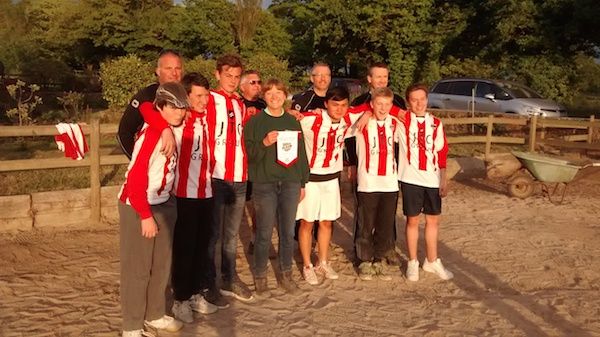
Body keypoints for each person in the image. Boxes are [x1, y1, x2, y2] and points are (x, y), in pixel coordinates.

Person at [118, 82, 188, 337]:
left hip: (163, 201)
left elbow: (150, 107)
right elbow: (136, 178)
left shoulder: (174, 127)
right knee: (137, 268)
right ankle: (132, 326)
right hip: (138, 204)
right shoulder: (151, 135)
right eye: (173, 107)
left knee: (161, 265)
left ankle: (155, 314)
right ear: (161, 107)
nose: (179, 112)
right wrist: (145, 216)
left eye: (182, 107)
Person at [244, 78, 309, 297]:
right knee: (263, 232)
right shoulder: (255, 122)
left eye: (279, 93)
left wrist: (302, 182)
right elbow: (249, 156)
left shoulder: (292, 121)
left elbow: (301, 154)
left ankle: (286, 274)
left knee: (287, 231)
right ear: (263, 96)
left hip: (290, 182)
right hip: (265, 183)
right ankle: (261, 276)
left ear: (285, 96)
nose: (274, 97)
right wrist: (263, 143)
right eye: (269, 93)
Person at [296, 86, 364, 285]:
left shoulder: (347, 118)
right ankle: (307, 265)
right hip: (310, 180)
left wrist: (367, 113)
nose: (339, 109)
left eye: (343, 105)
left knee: (326, 222)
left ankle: (323, 262)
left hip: (331, 180)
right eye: (335, 104)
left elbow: (371, 104)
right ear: (326, 104)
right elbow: (289, 118)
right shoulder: (312, 119)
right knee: (307, 223)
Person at [170, 73, 223, 324]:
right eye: (198, 96)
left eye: (205, 95)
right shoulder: (179, 123)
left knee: (203, 248)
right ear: (186, 96)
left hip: (207, 192)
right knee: (185, 249)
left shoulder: (205, 119)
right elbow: (149, 108)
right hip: (185, 195)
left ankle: (194, 294)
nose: (204, 100)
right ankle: (180, 299)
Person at [205, 54, 254, 302]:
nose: (233, 81)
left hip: (239, 176)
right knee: (213, 234)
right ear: (217, 75)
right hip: (216, 177)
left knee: (232, 234)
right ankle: (209, 283)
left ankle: (229, 278)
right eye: (228, 76)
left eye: (237, 76)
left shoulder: (239, 103)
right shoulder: (209, 100)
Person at [347, 62, 406, 266]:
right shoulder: (361, 102)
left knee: (387, 216)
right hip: (367, 170)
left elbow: (404, 121)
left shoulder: (395, 100)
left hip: (390, 169)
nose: (382, 80)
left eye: (385, 77)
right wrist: (368, 112)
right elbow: (348, 133)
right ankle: (362, 253)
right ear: (369, 79)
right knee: (364, 215)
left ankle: (386, 249)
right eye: (378, 77)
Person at [397, 83, 453, 282]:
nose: (419, 103)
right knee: (412, 220)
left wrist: (443, 178)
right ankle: (412, 261)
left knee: (433, 220)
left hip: (432, 178)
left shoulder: (436, 123)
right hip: (410, 178)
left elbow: (442, 152)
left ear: (427, 100)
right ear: (408, 102)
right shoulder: (401, 121)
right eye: (414, 99)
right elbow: (379, 107)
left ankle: (432, 260)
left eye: (422, 99)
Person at [352, 87, 400, 281]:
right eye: (378, 104)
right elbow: (343, 115)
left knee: (385, 224)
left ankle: (379, 258)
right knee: (365, 223)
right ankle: (364, 260)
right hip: (368, 182)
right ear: (371, 104)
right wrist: (365, 112)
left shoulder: (395, 124)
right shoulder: (361, 123)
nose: (383, 108)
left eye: (387, 104)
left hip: (389, 183)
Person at [117, 49, 183, 159]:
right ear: (158, 71)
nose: (174, 73)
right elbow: (124, 132)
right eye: (168, 68)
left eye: (178, 68)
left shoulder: (188, 95)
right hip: (152, 170)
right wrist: (138, 160)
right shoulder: (146, 96)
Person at [239, 70, 266, 254]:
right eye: (253, 82)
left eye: (259, 82)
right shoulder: (236, 103)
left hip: (260, 160)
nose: (257, 85)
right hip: (240, 160)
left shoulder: (265, 104)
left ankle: (256, 240)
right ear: (242, 87)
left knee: (259, 203)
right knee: (238, 203)